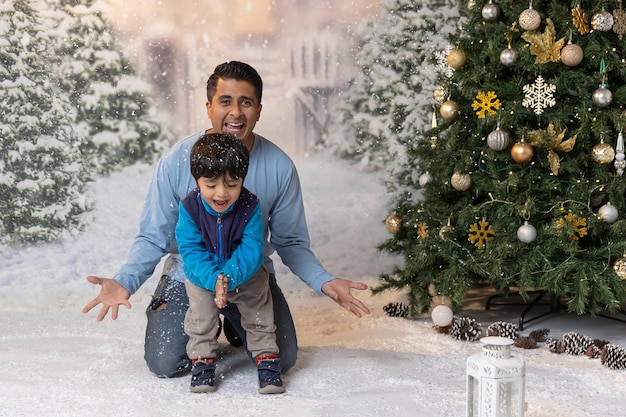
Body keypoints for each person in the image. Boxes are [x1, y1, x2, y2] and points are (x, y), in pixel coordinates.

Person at [82, 60, 370, 379]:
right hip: (190, 272)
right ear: (209, 107)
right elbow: (154, 236)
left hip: (248, 273)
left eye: (245, 102)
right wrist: (125, 280)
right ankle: (209, 319)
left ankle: (235, 321)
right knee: (164, 363)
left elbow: (291, 243)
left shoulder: (279, 167)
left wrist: (323, 280)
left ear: (259, 110)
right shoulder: (177, 161)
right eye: (225, 101)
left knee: (284, 359)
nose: (235, 113)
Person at [177, 132, 284, 394]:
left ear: (242, 180)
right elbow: (190, 248)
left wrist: (229, 277)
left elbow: (252, 248)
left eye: (232, 184)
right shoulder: (190, 208)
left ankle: (266, 358)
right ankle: (203, 360)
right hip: (203, 276)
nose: (222, 193)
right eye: (211, 185)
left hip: (245, 273)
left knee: (259, 314)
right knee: (200, 319)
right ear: (197, 181)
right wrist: (214, 278)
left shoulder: (250, 206)